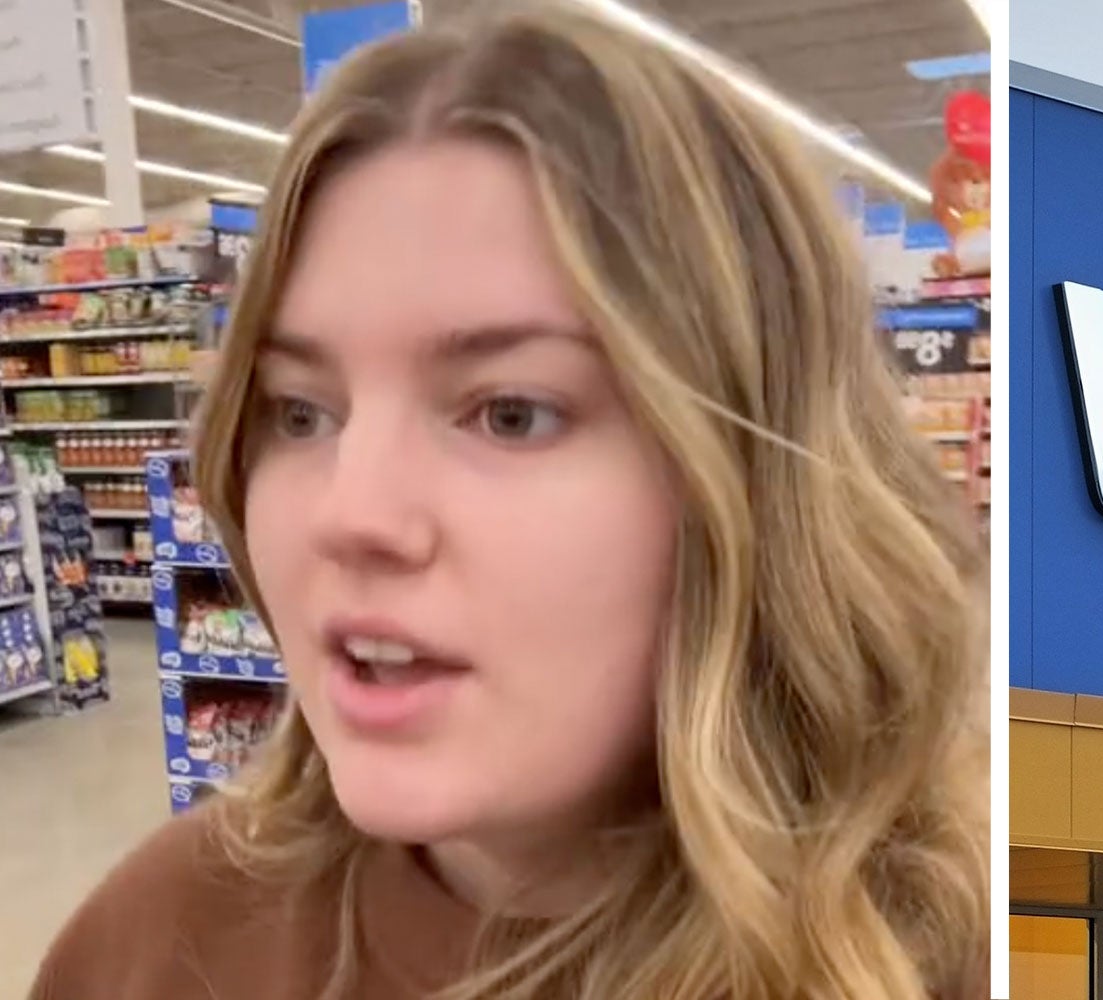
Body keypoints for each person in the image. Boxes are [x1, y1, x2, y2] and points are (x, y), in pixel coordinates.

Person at [30, 4, 989, 998]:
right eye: (300, 413)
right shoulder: (159, 943)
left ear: (755, 479)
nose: (349, 515)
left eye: (511, 414)